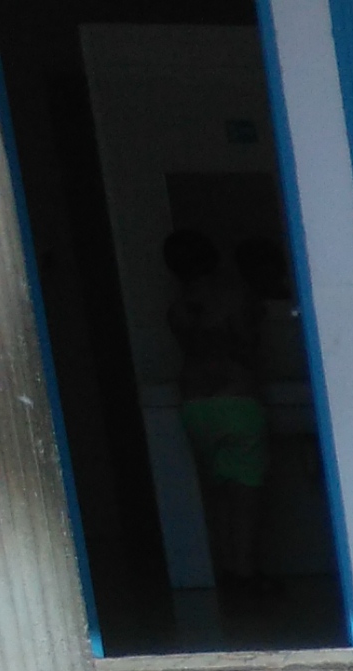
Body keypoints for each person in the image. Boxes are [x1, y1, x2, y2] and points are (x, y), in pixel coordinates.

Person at [159, 230, 267, 591]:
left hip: (195, 405)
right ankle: (246, 576)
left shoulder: (177, 308)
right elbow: (247, 346)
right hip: (236, 399)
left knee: (217, 493)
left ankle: (226, 573)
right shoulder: (236, 297)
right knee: (245, 494)